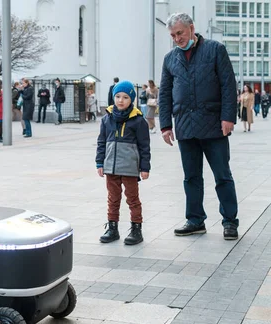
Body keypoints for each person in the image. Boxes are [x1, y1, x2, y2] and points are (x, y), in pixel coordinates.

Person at [159, 12, 239, 240]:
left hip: (214, 125)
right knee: (191, 177)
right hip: (185, 127)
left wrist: (228, 118)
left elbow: (227, 85)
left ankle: (230, 221)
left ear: (191, 29)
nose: (177, 39)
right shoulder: (169, 59)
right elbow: (165, 94)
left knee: (222, 176)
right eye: (173, 35)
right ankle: (195, 220)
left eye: (180, 33)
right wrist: (165, 125)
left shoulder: (215, 50)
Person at [96, 81, 150, 246]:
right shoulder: (107, 119)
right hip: (111, 167)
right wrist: (100, 162)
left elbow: (144, 146)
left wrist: (145, 167)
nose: (120, 100)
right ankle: (112, 228)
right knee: (113, 198)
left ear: (131, 99)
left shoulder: (138, 121)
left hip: (129, 168)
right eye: (118, 96)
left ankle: (136, 229)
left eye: (125, 97)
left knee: (132, 199)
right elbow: (101, 142)